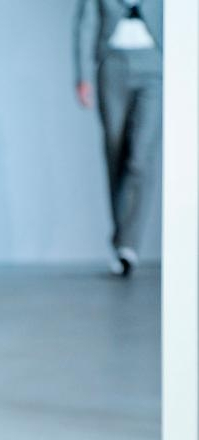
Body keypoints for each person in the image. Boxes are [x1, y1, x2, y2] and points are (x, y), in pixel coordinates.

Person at [73, 0, 163, 276]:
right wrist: (83, 76)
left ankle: (128, 244)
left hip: (155, 62)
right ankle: (122, 239)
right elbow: (86, 24)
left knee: (141, 159)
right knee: (116, 152)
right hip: (112, 63)